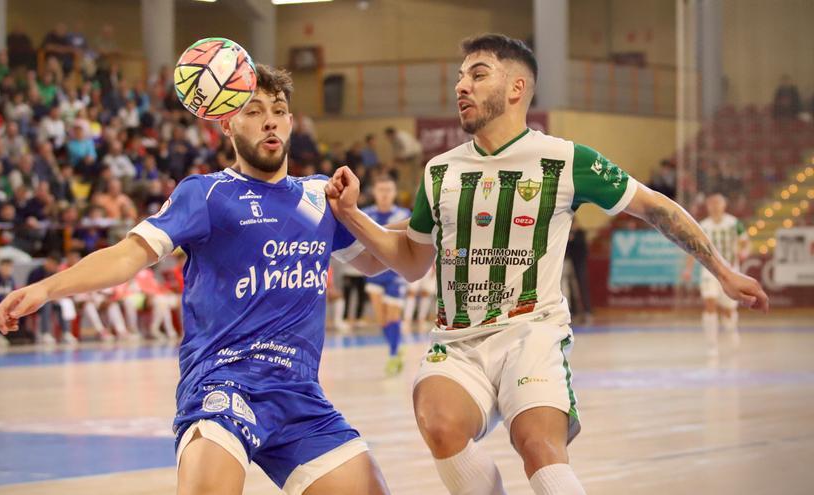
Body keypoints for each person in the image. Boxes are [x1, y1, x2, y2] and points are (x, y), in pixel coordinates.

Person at [325, 33, 769, 495]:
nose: (462, 86)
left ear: (517, 88)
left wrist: (723, 271)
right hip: (458, 342)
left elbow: (655, 207)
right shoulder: (440, 172)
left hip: (531, 333)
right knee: (438, 421)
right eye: (459, 78)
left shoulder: (565, 159)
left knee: (536, 443)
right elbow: (412, 261)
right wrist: (351, 217)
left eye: (478, 75)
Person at [0, 64, 391, 495]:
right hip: (223, 385)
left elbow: (379, 259)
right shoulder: (205, 194)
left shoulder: (321, 197)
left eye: (278, 110)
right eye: (254, 111)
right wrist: (46, 287)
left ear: (291, 122)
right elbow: (129, 255)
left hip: (299, 395)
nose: (270, 120)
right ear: (227, 123)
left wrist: (417, 215)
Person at [683, 192, 748, 357]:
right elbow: (693, 248)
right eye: (711, 204)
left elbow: (745, 242)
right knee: (709, 303)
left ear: (724, 205)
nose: (715, 207)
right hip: (709, 271)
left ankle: (732, 330)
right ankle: (712, 345)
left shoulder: (734, 223)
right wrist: (688, 269)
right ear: (708, 207)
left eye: (718, 203)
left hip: (730, 271)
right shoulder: (702, 226)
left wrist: (743, 252)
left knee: (728, 310)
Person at [361, 174, 410, 375]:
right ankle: (397, 346)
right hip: (373, 273)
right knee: (381, 319)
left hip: (396, 272)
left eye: (388, 190)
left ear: (394, 193)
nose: (384, 195)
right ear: (374, 192)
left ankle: (393, 353)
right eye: (381, 190)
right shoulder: (364, 214)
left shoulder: (403, 214)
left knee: (392, 316)